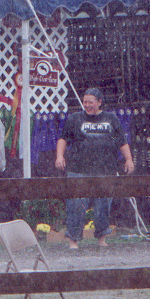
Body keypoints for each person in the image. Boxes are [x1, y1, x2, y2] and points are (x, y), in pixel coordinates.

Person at [55, 88, 135, 249]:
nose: (87, 105)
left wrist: (129, 159)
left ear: (99, 102)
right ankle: (73, 241)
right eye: (85, 102)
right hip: (79, 169)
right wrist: (59, 156)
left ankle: (101, 239)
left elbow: (122, 141)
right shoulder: (74, 118)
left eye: (91, 102)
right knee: (76, 205)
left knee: (103, 206)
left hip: (105, 169)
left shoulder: (111, 118)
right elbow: (63, 139)